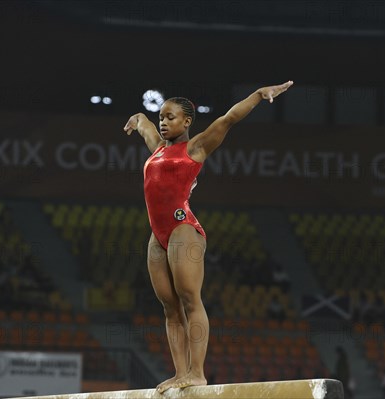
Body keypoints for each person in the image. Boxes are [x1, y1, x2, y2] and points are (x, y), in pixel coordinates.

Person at [123, 80, 294, 392]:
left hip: (182, 228)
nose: (163, 122)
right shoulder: (158, 149)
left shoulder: (196, 147)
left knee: (189, 299)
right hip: (157, 235)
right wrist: (139, 118)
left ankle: (197, 372)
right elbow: (146, 126)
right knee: (169, 308)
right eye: (161, 116)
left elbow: (228, 119)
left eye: (170, 117)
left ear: (187, 121)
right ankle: (180, 373)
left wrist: (258, 95)